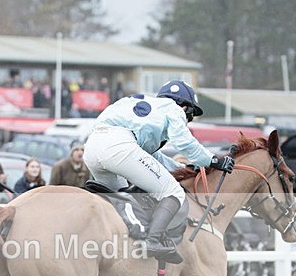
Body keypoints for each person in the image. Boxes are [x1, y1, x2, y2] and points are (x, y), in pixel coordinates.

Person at [83, 80, 234, 262]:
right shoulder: (174, 109)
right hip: (119, 146)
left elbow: (152, 157)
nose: (188, 120)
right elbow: (184, 142)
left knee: (121, 197)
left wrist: (183, 169)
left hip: (92, 148)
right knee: (173, 192)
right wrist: (213, 160)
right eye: (191, 116)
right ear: (185, 107)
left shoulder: (145, 107)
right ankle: (152, 241)